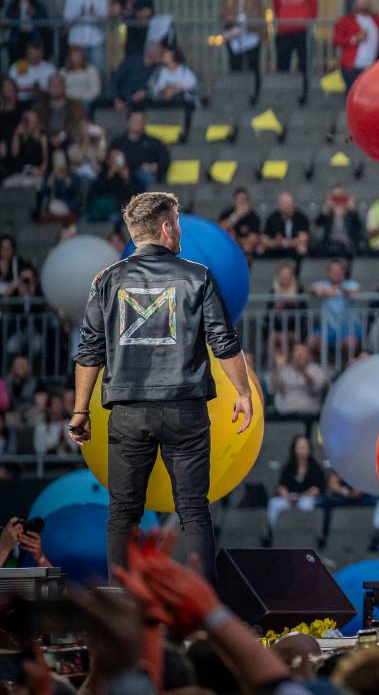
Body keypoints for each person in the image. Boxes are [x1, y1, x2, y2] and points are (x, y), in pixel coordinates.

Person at [72, 191, 254, 585]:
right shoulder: (197, 277)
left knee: (123, 512)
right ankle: (204, 611)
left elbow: (89, 350)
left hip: (128, 412)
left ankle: (123, 603)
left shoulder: (106, 281)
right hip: (184, 408)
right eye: (178, 226)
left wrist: (80, 410)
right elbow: (224, 341)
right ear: (167, 226)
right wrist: (243, 392)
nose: (180, 234)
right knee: (192, 510)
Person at [270, 0, 317, 89]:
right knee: (282, 65)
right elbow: (276, 7)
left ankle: (305, 91)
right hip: (284, 31)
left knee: (304, 64)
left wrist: (306, 23)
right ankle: (282, 92)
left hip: (303, 31)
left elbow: (314, 8)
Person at [268, 434, 324, 529]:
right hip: (290, 498)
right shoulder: (288, 467)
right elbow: (282, 486)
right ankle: (274, 531)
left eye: (304, 447)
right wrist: (287, 497)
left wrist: (301, 496)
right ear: (294, 449)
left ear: (309, 449)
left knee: (306, 505)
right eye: (300, 447)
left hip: (306, 498)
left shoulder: (315, 468)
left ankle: (305, 530)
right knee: (274, 503)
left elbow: (316, 490)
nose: (302, 450)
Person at [332, 0, 379, 86]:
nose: (364, 3)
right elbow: (336, 40)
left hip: (372, 66)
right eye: (361, 0)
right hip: (352, 67)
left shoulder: (376, 19)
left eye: (366, 0)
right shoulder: (345, 20)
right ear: (355, 3)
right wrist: (355, 39)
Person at [219, 0, 266, 73]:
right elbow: (223, 13)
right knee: (235, 66)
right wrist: (231, 25)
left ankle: (254, 89)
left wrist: (247, 26)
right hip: (233, 34)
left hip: (251, 35)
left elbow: (259, 14)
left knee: (253, 66)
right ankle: (236, 89)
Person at [61, 0, 109, 72]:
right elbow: (67, 18)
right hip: (77, 42)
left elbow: (105, 18)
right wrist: (80, 13)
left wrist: (94, 13)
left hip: (96, 40)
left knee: (97, 72)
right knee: (77, 71)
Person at [269, 342, 326, 418]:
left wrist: (302, 370)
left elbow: (315, 388)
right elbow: (274, 389)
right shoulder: (284, 370)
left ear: (309, 355)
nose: (299, 356)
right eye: (297, 353)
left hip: (309, 414)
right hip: (286, 414)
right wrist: (278, 367)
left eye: (302, 353)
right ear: (292, 355)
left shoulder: (317, 370)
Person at [260, 191, 311, 260]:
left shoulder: (301, 218)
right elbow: (264, 238)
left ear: (294, 205)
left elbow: (303, 239)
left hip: (293, 248)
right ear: (278, 206)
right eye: (283, 204)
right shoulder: (272, 218)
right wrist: (274, 243)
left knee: (302, 249)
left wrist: (284, 243)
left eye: (288, 204)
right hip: (276, 248)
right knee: (260, 250)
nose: (286, 207)